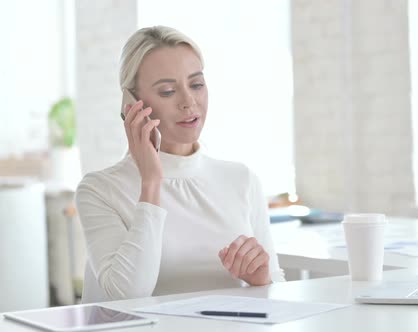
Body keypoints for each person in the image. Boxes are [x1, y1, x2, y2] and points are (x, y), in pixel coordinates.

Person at [75, 25, 285, 303]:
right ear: (132, 104)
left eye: (196, 84)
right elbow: (127, 295)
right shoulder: (100, 189)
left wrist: (262, 280)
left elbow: (278, 289)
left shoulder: (241, 179)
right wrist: (151, 181)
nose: (189, 102)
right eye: (167, 91)